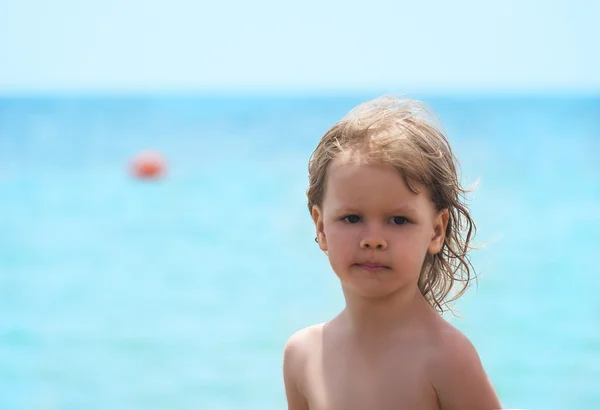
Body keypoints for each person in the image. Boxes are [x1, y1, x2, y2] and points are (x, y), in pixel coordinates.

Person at [283, 97, 502, 410]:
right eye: (352, 218)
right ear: (321, 227)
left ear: (436, 231)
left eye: (399, 220)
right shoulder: (302, 356)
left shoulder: (447, 359)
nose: (373, 240)